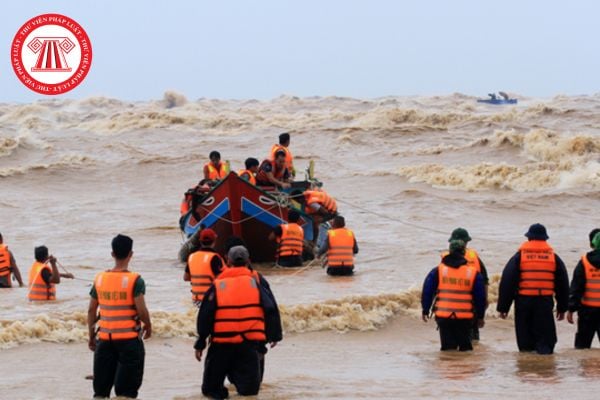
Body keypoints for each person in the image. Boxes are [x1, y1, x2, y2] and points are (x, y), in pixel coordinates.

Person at [195, 246, 282, 398]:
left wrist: (201, 341)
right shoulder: (257, 281)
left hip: (221, 345)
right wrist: (274, 335)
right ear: (249, 261)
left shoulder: (218, 283)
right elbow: (271, 308)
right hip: (249, 345)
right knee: (249, 391)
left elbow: (205, 315)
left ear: (227, 261)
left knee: (211, 390)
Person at [87, 234, 152, 399]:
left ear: (112, 254)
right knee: (126, 393)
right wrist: (148, 325)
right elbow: (142, 310)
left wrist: (91, 336)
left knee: (100, 393)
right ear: (131, 254)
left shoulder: (99, 279)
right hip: (129, 342)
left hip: (104, 341)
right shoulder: (135, 280)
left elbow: (91, 311)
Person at [497, 223, 569, 354]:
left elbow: (507, 282)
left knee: (525, 343)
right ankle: (544, 366)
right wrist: (562, 308)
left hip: (524, 303)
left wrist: (503, 307)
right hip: (545, 303)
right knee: (545, 343)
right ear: (545, 239)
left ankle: (527, 368)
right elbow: (563, 284)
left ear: (529, 238)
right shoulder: (554, 258)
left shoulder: (519, 257)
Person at [422, 239, 486, 351]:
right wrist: (480, 317)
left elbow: (428, 290)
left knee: (447, 350)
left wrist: (425, 309)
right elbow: (480, 297)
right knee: (465, 351)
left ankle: (448, 367)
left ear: (450, 251)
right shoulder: (472, 273)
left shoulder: (438, 270)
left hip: (444, 317)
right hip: (464, 319)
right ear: (463, 253)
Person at [441, 228, 489, 341]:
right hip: (470, 305)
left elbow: (436, 282)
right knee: (471, 339)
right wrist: (484, 301)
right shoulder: (475, 257)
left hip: (447, 305)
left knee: (449, 342)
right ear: (466, 242)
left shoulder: (445, 259)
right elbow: (484, 280)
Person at [567, 229, 600, 348]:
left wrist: (571, 309)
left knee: (582, 347)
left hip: (587, 311)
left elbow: (576, 288)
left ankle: (584, 366)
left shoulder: (584, 262)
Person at [184, 228, 225, 304]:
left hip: (196, 300)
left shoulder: (191, 256)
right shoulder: (215, 257)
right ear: (214, 241)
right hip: (211, 300)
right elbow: (222, 280)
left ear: (200, 241)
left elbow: (186, 278)